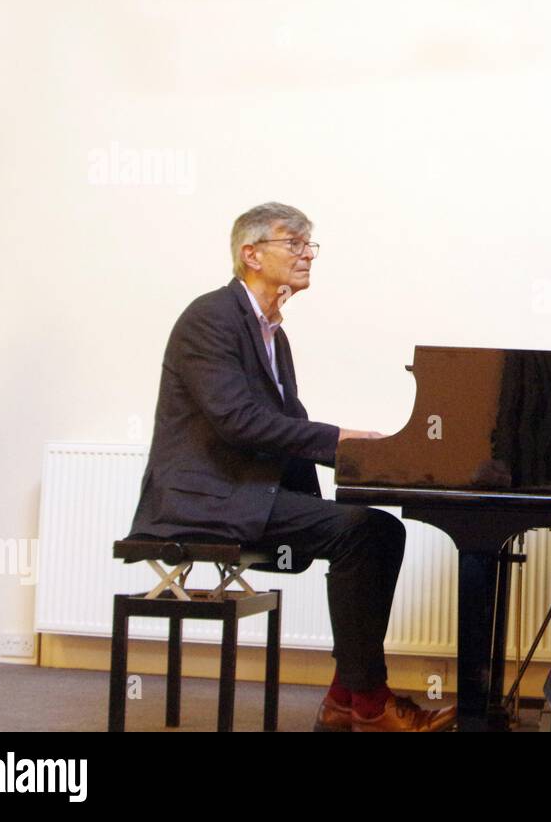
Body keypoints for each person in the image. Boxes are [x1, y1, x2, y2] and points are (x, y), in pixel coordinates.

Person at [127, 201, 454, 732]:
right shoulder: (209, 317)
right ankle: (366, 701)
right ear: (250, 254)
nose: (307, 255)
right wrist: (339, 440)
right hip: (206, 498)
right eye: (294, 243)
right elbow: (239, 422)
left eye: (310, 244)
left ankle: (348, 696)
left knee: (376, 529)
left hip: (247, 493)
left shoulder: (273, 335)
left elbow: (283, 426)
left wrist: (368, 457)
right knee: (363, 531)